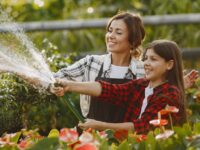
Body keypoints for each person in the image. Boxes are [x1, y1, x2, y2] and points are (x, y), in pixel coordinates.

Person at [52, 12, 198, 123]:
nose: (110, 36)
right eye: (110, 30)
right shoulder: (92, 63)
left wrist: (178, 86)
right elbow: (56, 79)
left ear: (133, 40)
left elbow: (159, 94)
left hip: (128, 139)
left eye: (118, 32)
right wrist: (52, 84)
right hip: (93, 136)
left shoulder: (144, 70)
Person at [51, 39, 187, 134]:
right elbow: (110, 90)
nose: (146, 63)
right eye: (146, 58)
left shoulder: (170, 93)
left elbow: (142, 127)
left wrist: (100, 126)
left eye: (153, 59)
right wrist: (69, 85)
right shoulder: (142, 85)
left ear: (169, 65)